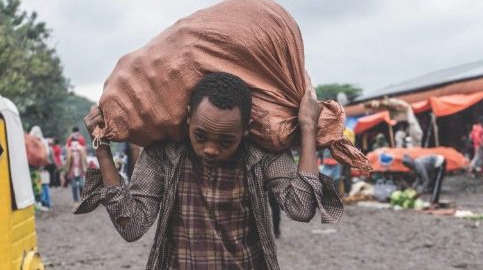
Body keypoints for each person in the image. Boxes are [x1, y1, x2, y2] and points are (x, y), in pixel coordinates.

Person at [75, 72, 343, 270]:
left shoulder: (261, 154)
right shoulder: (163, 155)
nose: (211, 149)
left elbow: (301, 207)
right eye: (200, 136)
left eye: (226, 141)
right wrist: (101, 148)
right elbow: (131, 226)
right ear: (189, 117)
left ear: (246, 129)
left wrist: (307, 126)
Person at [64, 137, 88, 205]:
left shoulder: (82, 149)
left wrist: (86, 168)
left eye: (76, 142)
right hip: (72, 171)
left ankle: (82, 199)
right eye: (73, 142)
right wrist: (65, 170)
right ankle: (76, 201)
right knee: (74, 186)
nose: (74, 144)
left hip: (81, 170)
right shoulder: (69, 150)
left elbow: (85, 159)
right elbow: (67, 160)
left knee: (82, 185)